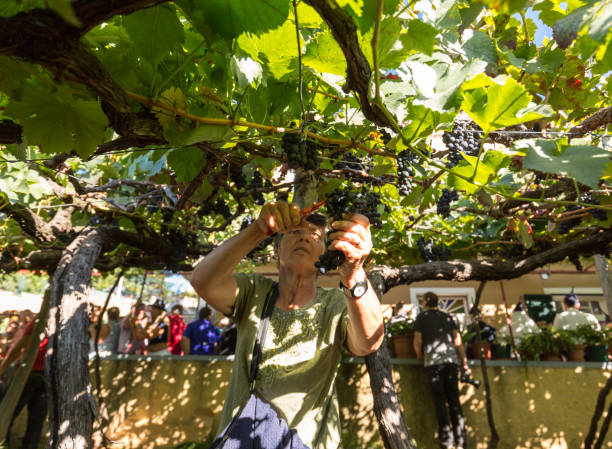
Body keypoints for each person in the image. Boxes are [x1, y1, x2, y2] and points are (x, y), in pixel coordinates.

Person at [189, 202, 384, 449]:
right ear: (277, 250)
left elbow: (368, 342)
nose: (304, 236)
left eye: (315, 235)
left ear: (325, 253)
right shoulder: (254, 292)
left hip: (311, 442)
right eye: (294, 232)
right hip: (244, 440)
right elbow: (203, 280)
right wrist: (259, 229)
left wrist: (354, 273)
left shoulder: (336, 302)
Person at [413, 291, 470, 449]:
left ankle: (446, 442)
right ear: (437, 302)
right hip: (451, 362)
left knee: (440, 402)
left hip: (434, 364)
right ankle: (461, 442)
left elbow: (417, 339)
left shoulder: (421, 318)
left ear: (425, 302)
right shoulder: (447, 317)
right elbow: (457, 340)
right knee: (454, 402)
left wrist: (419, 356)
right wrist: (464, 362)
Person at [0, 314, 48, 449]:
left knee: (7, 413)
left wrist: (3, 368)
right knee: (36, 421)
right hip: (47, 376)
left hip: (29, 373)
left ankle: (4, 444)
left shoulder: (42, 319)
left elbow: (22, 344)